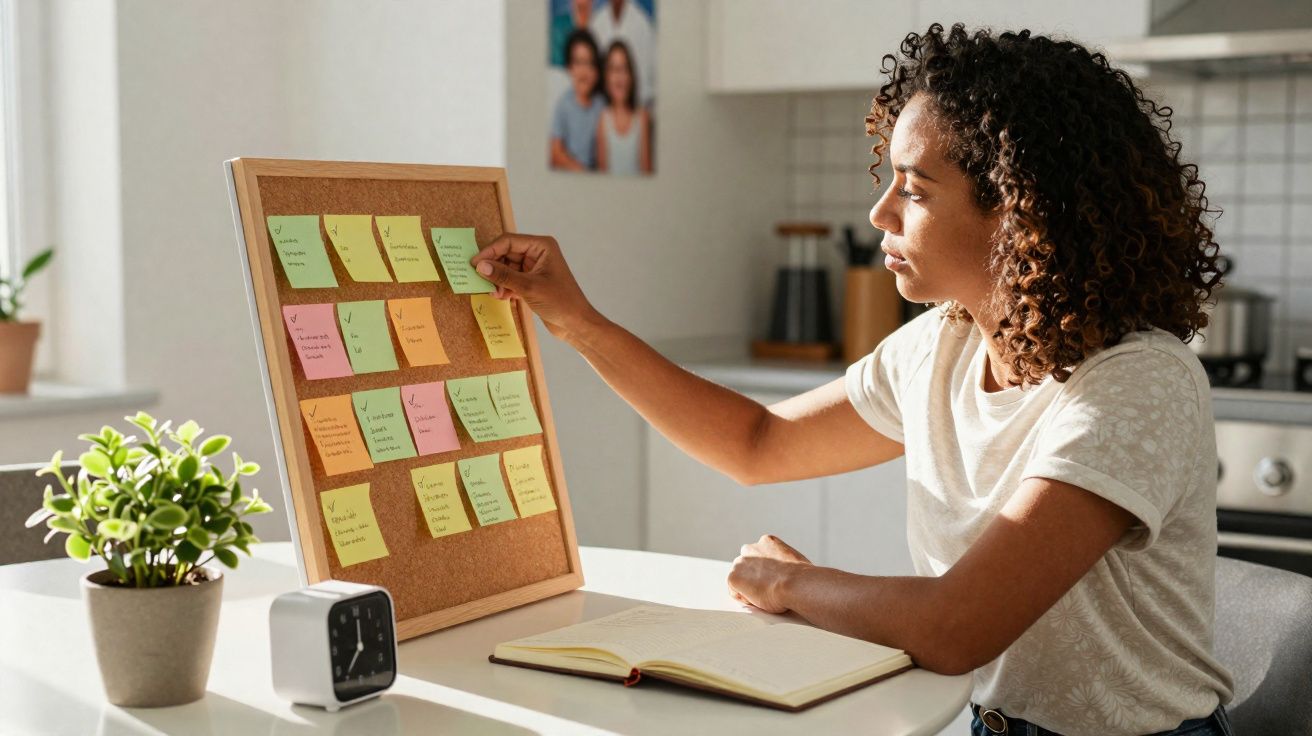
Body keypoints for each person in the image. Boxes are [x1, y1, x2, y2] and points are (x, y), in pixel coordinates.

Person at [475, 24, 1235, 736]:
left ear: (1019, 212)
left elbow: (956, 627)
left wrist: (792, 585)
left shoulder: (1137, 382)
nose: (880, 213)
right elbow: (756, 442)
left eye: (915, 190)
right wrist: (576, 322)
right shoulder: (942, 346)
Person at [549, 29, 603, 171]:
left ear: (596, 71)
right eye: (578, 62)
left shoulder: (601, 105)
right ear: (569, 68)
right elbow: (555, 152)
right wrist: (581, 173)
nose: (583, 71)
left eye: (589, 63)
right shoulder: (563, 105)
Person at [596, 40, 652, 175]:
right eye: (613, 69)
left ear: (631, 76)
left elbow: (646, 170)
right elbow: (602, 174)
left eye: (624, 69)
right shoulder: (603, 119)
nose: (619, 76)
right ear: (606, 77)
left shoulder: (642, 117)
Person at [589, 0, 655, 108]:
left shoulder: (642, 24)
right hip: (603, 105)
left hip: (635, 105)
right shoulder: (597, 22)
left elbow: (646, 78)